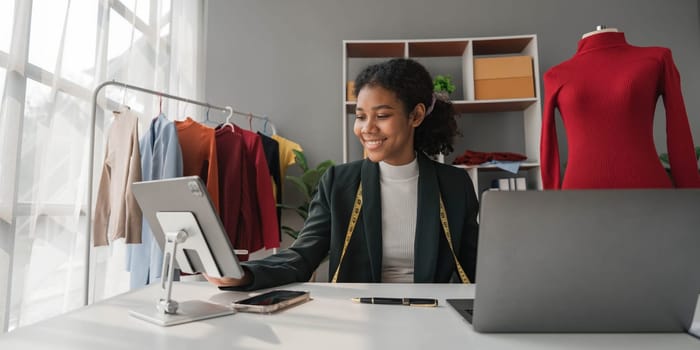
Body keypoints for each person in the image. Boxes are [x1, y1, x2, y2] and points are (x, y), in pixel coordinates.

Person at [206, 58, 479, 291]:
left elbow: (477, 265)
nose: (367, 128)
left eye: (382, 116)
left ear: (416, 116)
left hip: (433, 319)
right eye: (360, 117)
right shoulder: (339, 182)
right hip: (359, 317)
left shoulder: (454, 185)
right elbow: (302, 256)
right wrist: (245, 274)